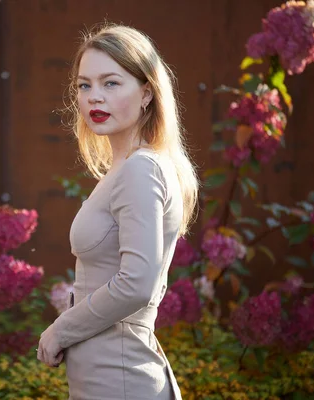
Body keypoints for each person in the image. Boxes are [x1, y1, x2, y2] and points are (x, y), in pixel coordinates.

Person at [37, 24, 199, 400]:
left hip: (120, 377)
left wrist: (62, 329)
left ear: (146, 93)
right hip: (108, 373)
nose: (95, 97)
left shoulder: (141, 169)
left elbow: (137, 283)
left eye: (111, 83)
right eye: (84, 85)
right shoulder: (127, 168)